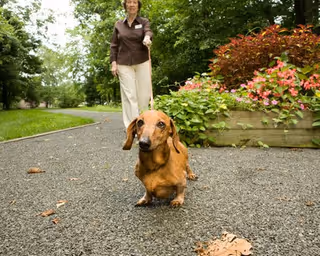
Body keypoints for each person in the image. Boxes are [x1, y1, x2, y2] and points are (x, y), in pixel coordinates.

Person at [110, 0, 153, 129]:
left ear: (138, 5)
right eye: (129, 2)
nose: (132, 4)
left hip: (142, 61)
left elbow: (148, 31)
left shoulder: (143, 21)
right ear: (125, 5)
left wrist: (147, 38)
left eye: (134, 2)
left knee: (144, 96)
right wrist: (113, 63)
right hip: (123, 63)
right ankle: (132, 128)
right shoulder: (118, 24)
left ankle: (144, 124)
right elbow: (114, 45)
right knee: (130, 96)